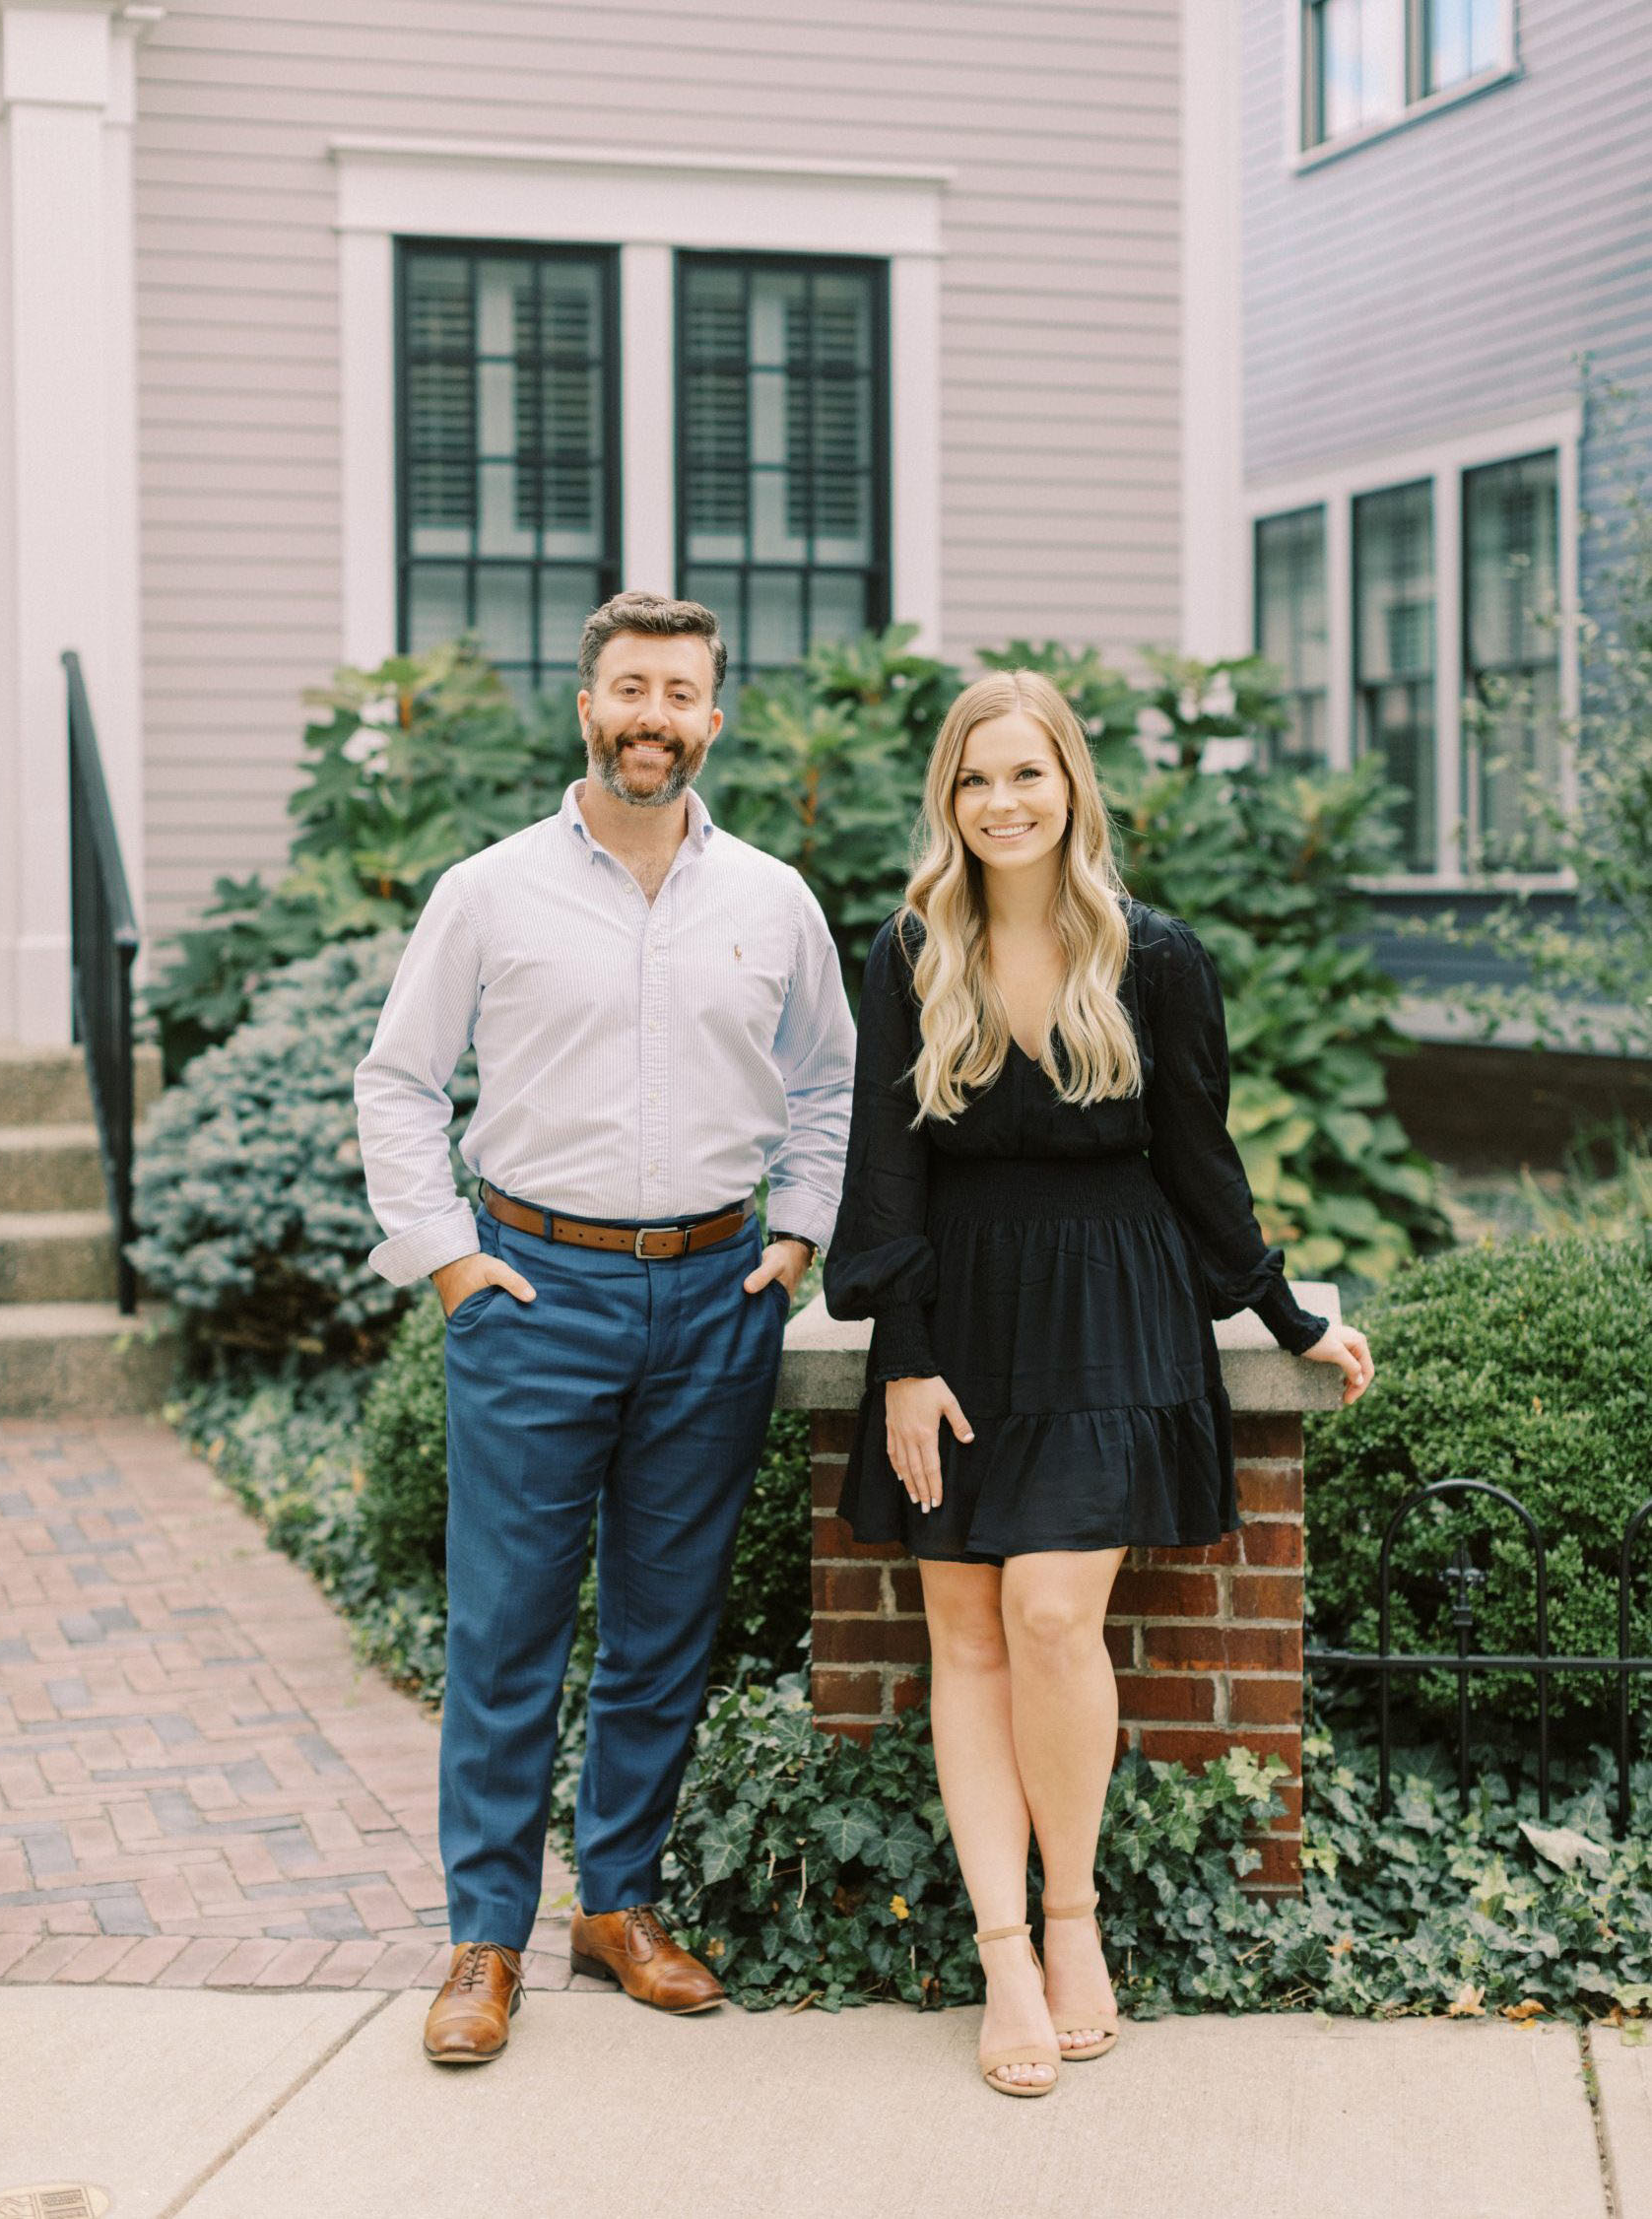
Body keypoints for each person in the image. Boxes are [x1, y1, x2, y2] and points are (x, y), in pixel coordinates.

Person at [823, 669, 1373, 2099]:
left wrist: (1281, 1310)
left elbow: (1199, 1155)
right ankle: (1002, 1950)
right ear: (945, 800)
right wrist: (903, 1357)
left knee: (1053, 1614)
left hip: (1108, 1304)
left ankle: (1074, 1917)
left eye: (1027, 774)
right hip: (958, 1312)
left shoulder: (1156, 957)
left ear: (1071, 786)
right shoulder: (904, 950)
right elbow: (882, 1173)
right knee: (966, 1634)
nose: (1002, 803)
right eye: (974, 779)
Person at [355, 591, 855, 2065]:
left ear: (713, 716)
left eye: (679, 692)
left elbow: (828, 1083)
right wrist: (447, 1261)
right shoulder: (490, 891)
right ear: (588, 708)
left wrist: (797, 1237)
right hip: (534, 1294)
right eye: (628, 688)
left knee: (660, 1628)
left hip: (716, 1298)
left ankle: (618, 1904)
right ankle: (485, 1939)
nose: (652, 716)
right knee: (506, 1632)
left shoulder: (772, 900)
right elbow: (398, 1082)